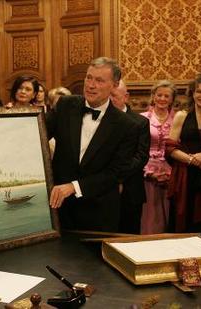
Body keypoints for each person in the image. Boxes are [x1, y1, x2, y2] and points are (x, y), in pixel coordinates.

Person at [47, 57, 137, 231]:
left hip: (98, 212)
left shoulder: (127, 125)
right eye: (89, 77)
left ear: (115, 84)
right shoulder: (65, 105)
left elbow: (115, 173)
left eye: (99, 80)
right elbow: (39, 135)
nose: (91, 85)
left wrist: (74, 187)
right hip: (58, 209)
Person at [166, 76, 201, 235]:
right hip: (185, 176)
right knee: (184, 223)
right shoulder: (182, 115)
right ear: (192, 94)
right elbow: (170, 148)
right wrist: (193, 160)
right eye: (198, 91)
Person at [110, 80, 150, 234]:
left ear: (126, 97)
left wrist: (117, 177)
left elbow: (141, 157)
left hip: (130, 189)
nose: (110, 99)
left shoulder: (140, 122)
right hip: (104, 190)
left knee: (129, 234)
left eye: (114, 96)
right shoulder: (101, 119)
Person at [140, 80, 176, 234]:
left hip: (171, 171)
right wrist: (148, 172)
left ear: (172, 99)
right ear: (153, 96)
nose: (162, 99)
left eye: (166, 96)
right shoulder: (142, 118)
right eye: (159, 95)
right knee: (150, 213)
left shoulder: (178, 120)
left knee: (169, 211)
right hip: (147, 170)